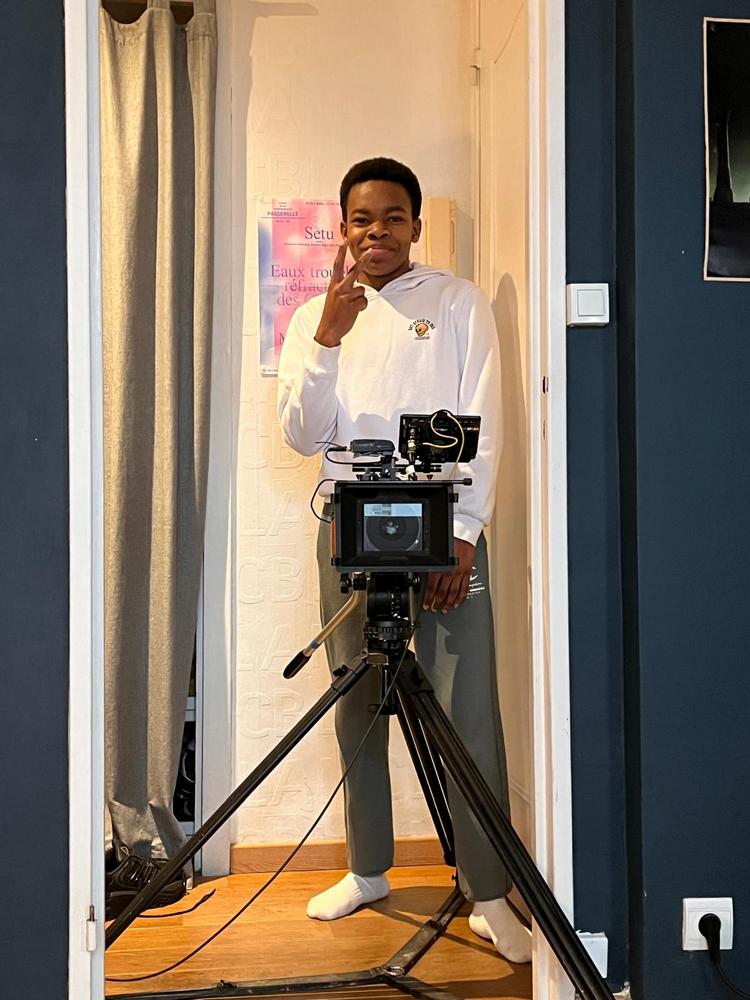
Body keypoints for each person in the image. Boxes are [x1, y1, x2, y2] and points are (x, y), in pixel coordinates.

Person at [277, 157, 531, 964]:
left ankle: (488, 890)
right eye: (361, 218)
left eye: (392, 216)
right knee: (356, 698)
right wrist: (328, 337)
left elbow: (483, 414)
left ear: (415, 225)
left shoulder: (457, 303)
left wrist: (466, 529)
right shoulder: (314, 317)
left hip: (444, 527)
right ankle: (366, 868)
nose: (375, 231)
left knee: (467, 708)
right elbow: (301, 435)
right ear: (343, 227)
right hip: (347, 525)